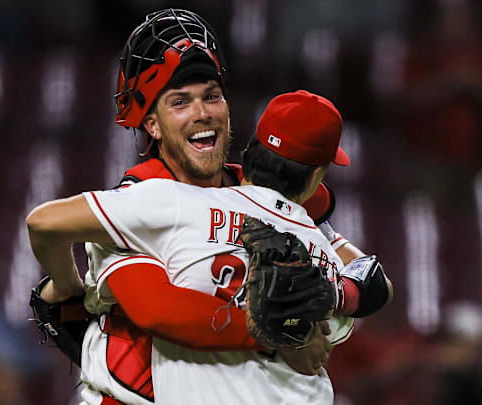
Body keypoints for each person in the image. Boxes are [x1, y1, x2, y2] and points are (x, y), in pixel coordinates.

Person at [34, 9, 385, 405]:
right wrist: (284, 335)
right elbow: (161, 311)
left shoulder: (261, 191)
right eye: (180, 102)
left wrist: (338, 296)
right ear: (152, 124)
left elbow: (371, 278)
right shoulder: (141, 200)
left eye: (211, 96)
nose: (202, 112)